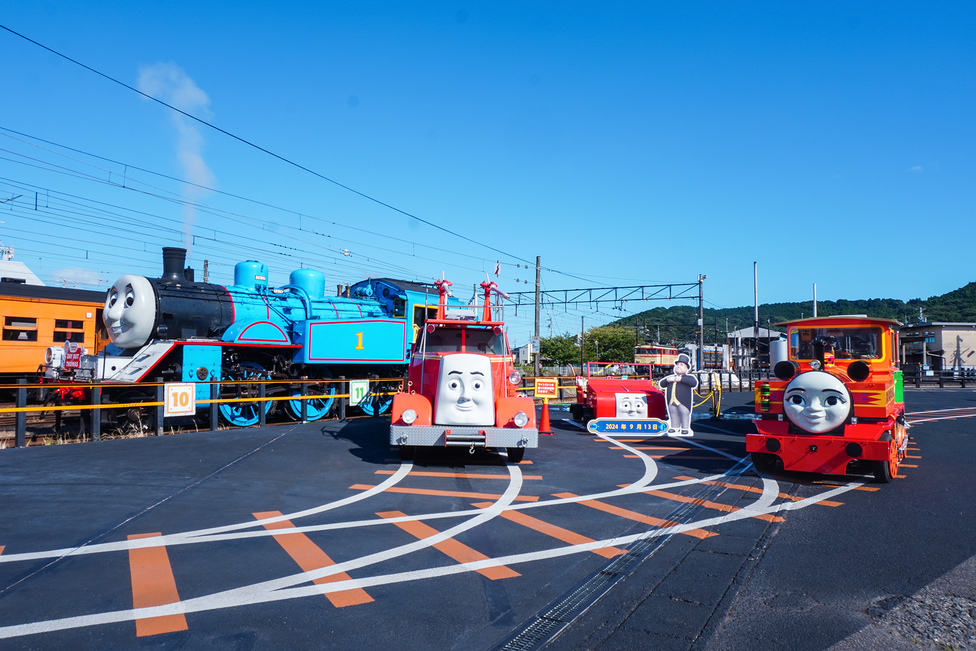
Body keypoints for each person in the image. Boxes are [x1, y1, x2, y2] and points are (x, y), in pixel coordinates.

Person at [658, 353, 698, 436]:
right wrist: (668, 380)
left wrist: (680, 379)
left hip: (683, 401)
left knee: (684, 413)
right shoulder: (671, 378)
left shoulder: (688, 378)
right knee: (673, 413)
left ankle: (685, 428)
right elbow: (662, 384)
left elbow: (693, 383)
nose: (678, 366)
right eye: (677, 364)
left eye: (681, 365)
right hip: (671, 401)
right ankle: (674, 427)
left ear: (687, 368)